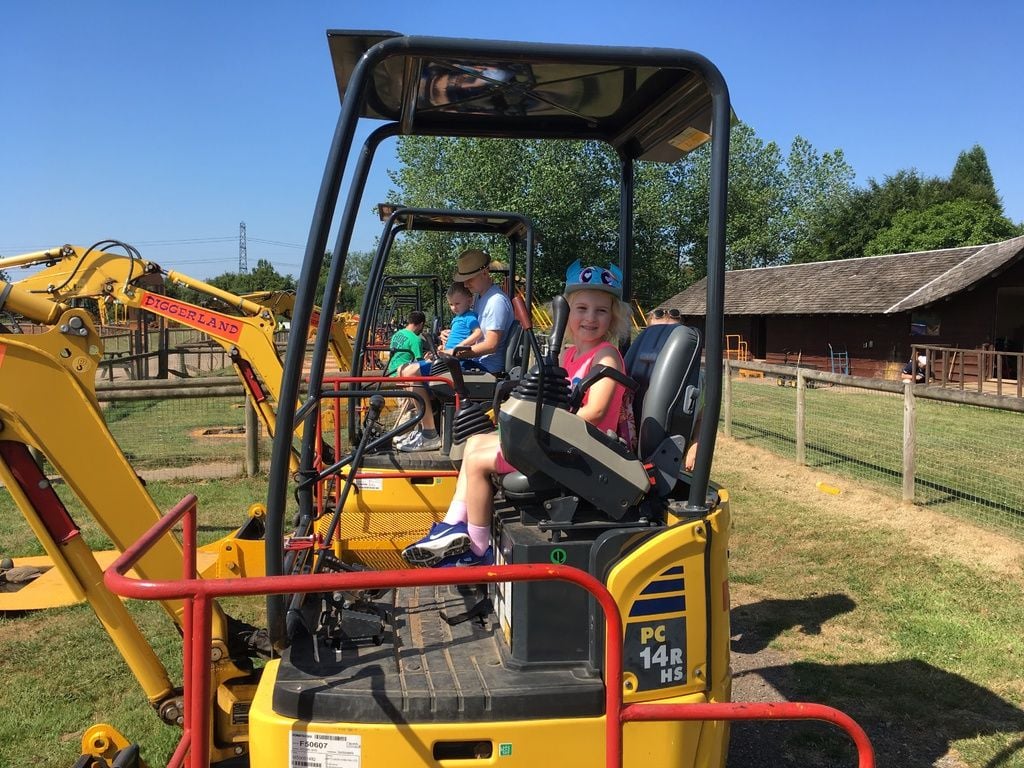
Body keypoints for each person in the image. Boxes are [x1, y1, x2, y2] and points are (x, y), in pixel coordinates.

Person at [400, 260, 632, 567]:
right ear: (565, 314)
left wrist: (541, 429)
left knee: (481, 461)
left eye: (601, 311)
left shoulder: (606, 355)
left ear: (613, 318)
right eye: (581, 309)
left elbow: (597, 411)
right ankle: (453, 525)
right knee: (473, 444)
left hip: (587, 449)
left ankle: (478, 548)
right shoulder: (572, 353)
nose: (590, 318)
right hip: (565, 438)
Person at [397, 249, 513, 452]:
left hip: (483, 368)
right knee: (407, 371)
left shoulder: (495, 302)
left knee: (412, 372)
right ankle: (424, 427)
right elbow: (472, 330)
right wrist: (449, 336)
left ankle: (429, 434)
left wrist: (455, 352)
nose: (465, 284)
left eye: (469, 279)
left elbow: (491, 344)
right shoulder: (480, 298)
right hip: (472, 362)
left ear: (485, 272)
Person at [384, 311, 427, 377]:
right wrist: (428, 359)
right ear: (421, 324)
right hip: (403, 375)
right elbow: (420, 364)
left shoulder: (397, 334)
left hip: (391, 371)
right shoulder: (416, 339)